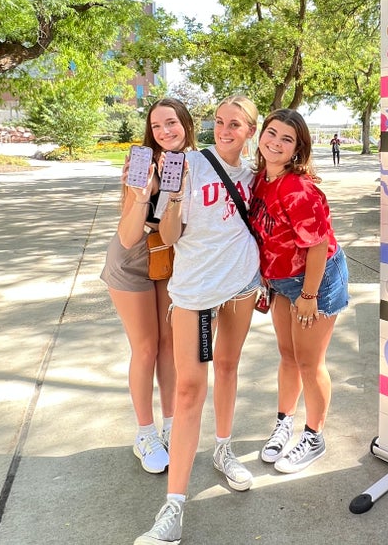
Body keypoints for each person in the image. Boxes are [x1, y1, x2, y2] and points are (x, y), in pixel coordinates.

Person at [135, 95, 261, 545]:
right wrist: (166, 199)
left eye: (236, 124)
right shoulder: (188, 163)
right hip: (194, 293)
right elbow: (168, 236)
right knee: (190, 389)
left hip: (243, 285)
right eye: (220, 121)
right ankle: (173, 509)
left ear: (250, 130)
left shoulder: (255, 176)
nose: (226, 130)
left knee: (228, 368)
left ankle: (223, 450)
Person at [249, 108, 349, 474]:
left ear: (297, 149)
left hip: (314, 281)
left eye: (286, 139)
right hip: (281, 282)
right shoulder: (262, 179)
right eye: (271, 133)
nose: (275, 142)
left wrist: (308, 296)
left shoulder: (299, 190)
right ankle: (284, 422)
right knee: (287, 354)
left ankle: (314, 436)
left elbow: (318, 246)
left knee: (309, 361)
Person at [101, 98, 197, 475]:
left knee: (170, 345)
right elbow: (126, 237)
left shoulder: (197, 164)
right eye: (156, 127)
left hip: (171, 261)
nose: (164, 132)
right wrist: (141, 196)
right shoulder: (141, 168)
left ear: (186, 124)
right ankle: (144, 432)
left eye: (171, 123)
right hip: (133, 263)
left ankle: (172, 423)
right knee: (145, 347)